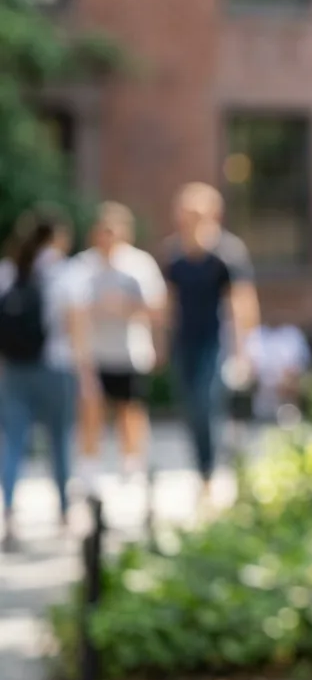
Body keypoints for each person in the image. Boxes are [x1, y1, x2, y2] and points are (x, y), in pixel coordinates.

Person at [160, 183, 259, 505]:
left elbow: (242, 302)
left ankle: (210, 472)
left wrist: (244, 350)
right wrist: (159, 342)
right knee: (190, 408)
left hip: (215, 343)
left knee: (206, 404)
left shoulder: (227, 253)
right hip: (183, 342)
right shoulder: (174, 254)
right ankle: (202, 468)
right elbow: (168, 302)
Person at [0, 211, 93, 550]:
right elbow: (76, 327)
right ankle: (65, 512)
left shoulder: (9, 272)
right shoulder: (68, 273)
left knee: (12, 443)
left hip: (14, 369)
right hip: (58, 366)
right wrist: (87, 375)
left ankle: (9, 510)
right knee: (60, 441)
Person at [74, 202, 167, 485]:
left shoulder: (140, 265)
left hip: (130, 352)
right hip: (94, 352)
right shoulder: (83, 266)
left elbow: (158, 308)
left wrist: (125, 307)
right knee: (91, 409)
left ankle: (132, 462)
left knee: (130, 409)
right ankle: (90, 468)